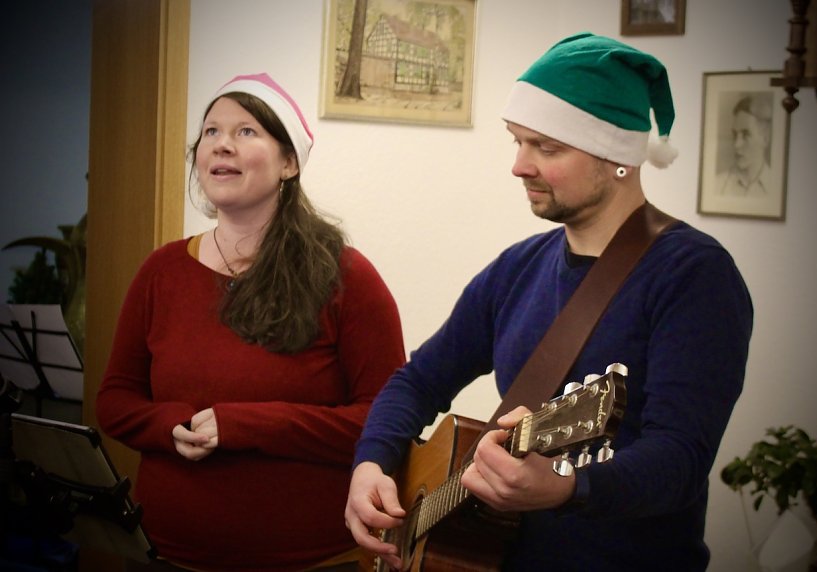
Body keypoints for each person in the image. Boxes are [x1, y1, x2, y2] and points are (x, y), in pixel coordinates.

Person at [344, 33, 753, 571]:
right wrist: (372, 461)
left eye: (547, 147)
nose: (519, 165)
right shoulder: (518, 268)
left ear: (618, 158)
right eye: (517, 141)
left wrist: (567, 486)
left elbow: (680, 459)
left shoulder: (694, 275)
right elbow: (418, 379)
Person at [96, 73, 406, 571]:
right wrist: (169, 425)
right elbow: (114, 400)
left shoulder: (346, 276)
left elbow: (387, 417)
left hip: (313, 560)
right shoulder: (161, 270)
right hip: (166, 555)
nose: (222, 145)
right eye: (211, 132)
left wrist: (245, 425)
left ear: (288, 162)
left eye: (245, 132)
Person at [716, 92, 774, 197]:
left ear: (765, 138)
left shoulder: (774, 188)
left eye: (746, 135)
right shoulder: (717, 185)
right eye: (735, 135)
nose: (736, 144)